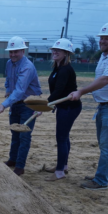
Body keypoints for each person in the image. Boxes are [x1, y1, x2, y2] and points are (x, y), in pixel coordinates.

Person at [69, 22, 108, 190]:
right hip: (106, 105)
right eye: (102, 37)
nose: (103, 41)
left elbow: (106, 80)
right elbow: (102, 80)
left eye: (107, 38)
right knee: (106, 144)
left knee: (107, 145)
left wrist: (82, 91)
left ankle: (101, 180)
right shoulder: (106, 55)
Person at [0, 36, 42, 176]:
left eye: (16, 51)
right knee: (15, 133)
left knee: (24, 135)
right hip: (16, 103)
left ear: (23, 51)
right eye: (11, 52)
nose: (13, 54)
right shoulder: (9, 63)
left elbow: (20, 90)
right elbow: (9, 80)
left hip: (29, 104)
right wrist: (7, 90)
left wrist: (4, 104)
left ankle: (20, 166)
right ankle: (13, 159)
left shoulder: (27, 67)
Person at [43, 38, 82, 181]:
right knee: (64, 137)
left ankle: (59, 172)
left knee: (61, 138)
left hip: (69, 107)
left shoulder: (65, 69)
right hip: (63, 106)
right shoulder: (57, 67)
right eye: (54, 49)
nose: (55, 52)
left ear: (66, 53)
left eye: (58, 50)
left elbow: (59, 91)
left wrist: (44, 105)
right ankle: (63, 165)